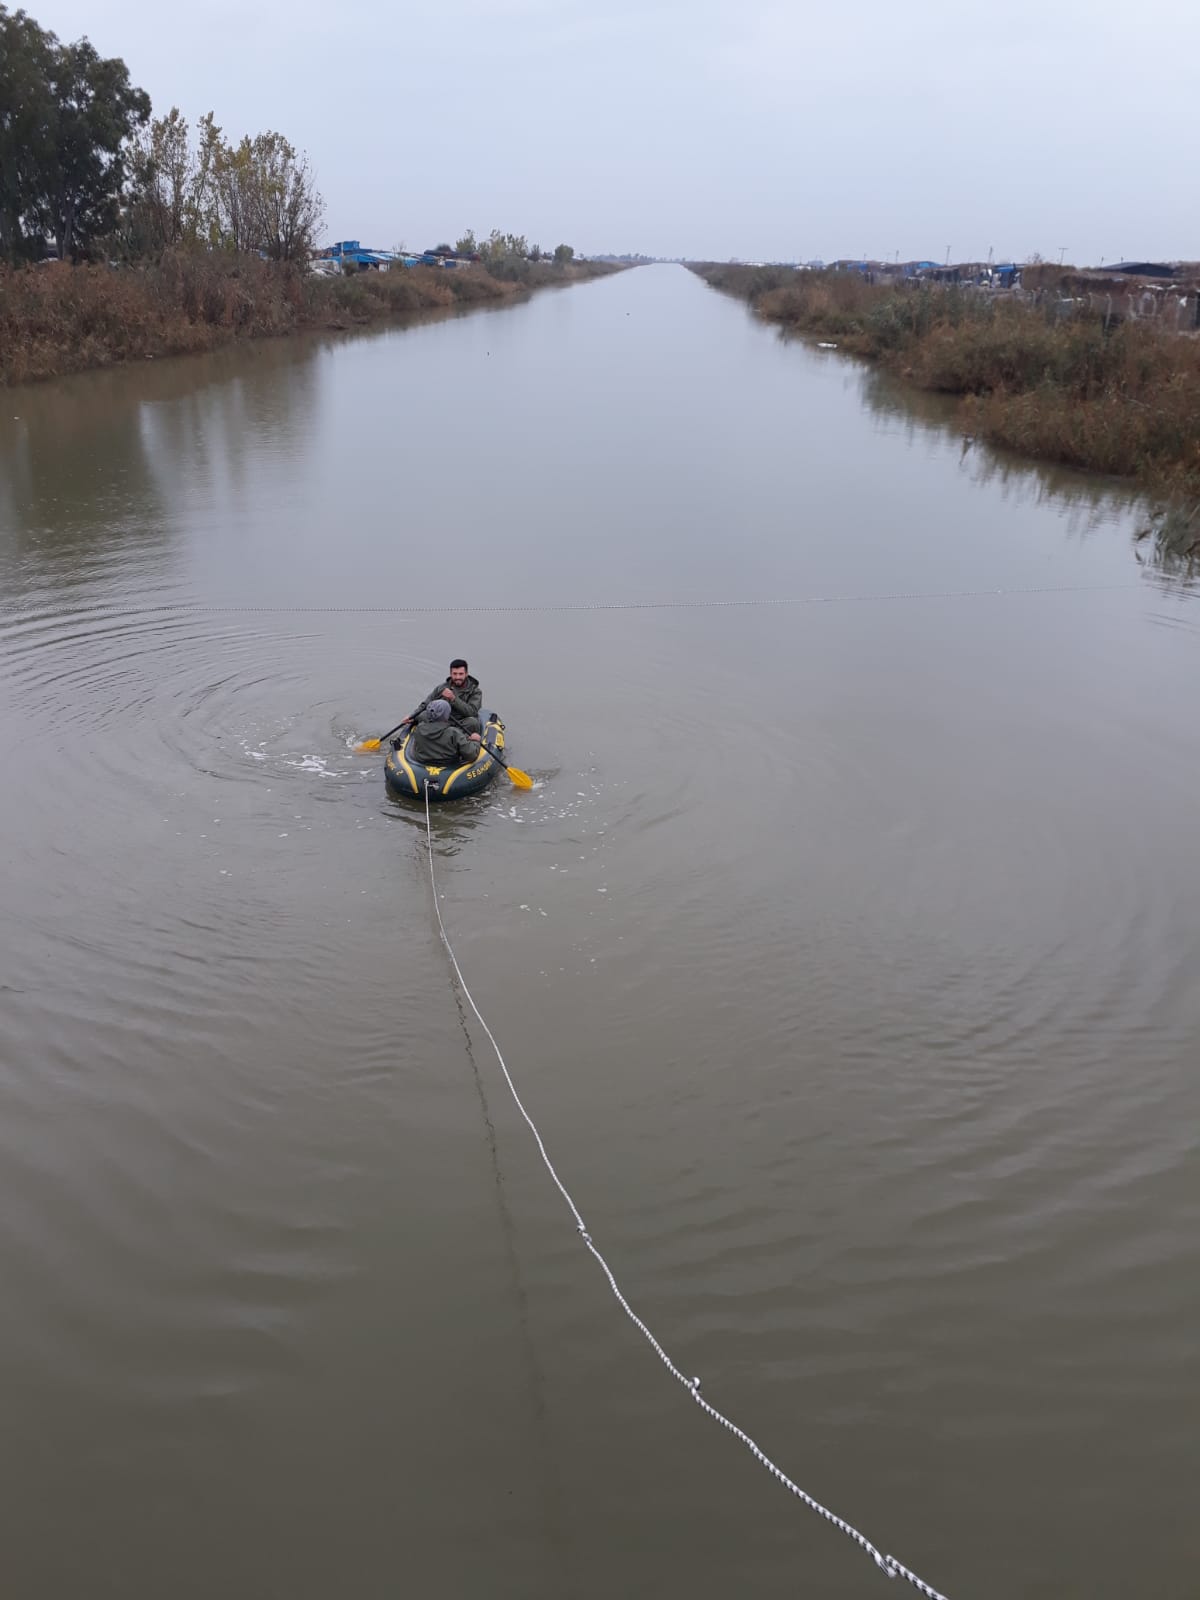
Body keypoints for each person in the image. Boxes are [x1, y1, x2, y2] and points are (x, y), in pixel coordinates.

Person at [403, 658, 482, 737]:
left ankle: (449, 736)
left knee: (473, 722)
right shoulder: (441, 688)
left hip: (460, 722)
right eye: (455, 674)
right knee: (422, 715)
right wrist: (412, 716)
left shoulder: (475, 691)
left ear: (466, 674)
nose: (457, 677)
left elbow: (472, 712)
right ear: (450, 674)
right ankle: (444, 735)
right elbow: (426, 704)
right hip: (440, 721)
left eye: (461, 674)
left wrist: (453, 699)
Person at [409, 698, 483, 767]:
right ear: (446, 715)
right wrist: (475, 741)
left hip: (423, 761)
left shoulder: (419, 729)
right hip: (447, 764)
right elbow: (471, 754)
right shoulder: (453, 733)